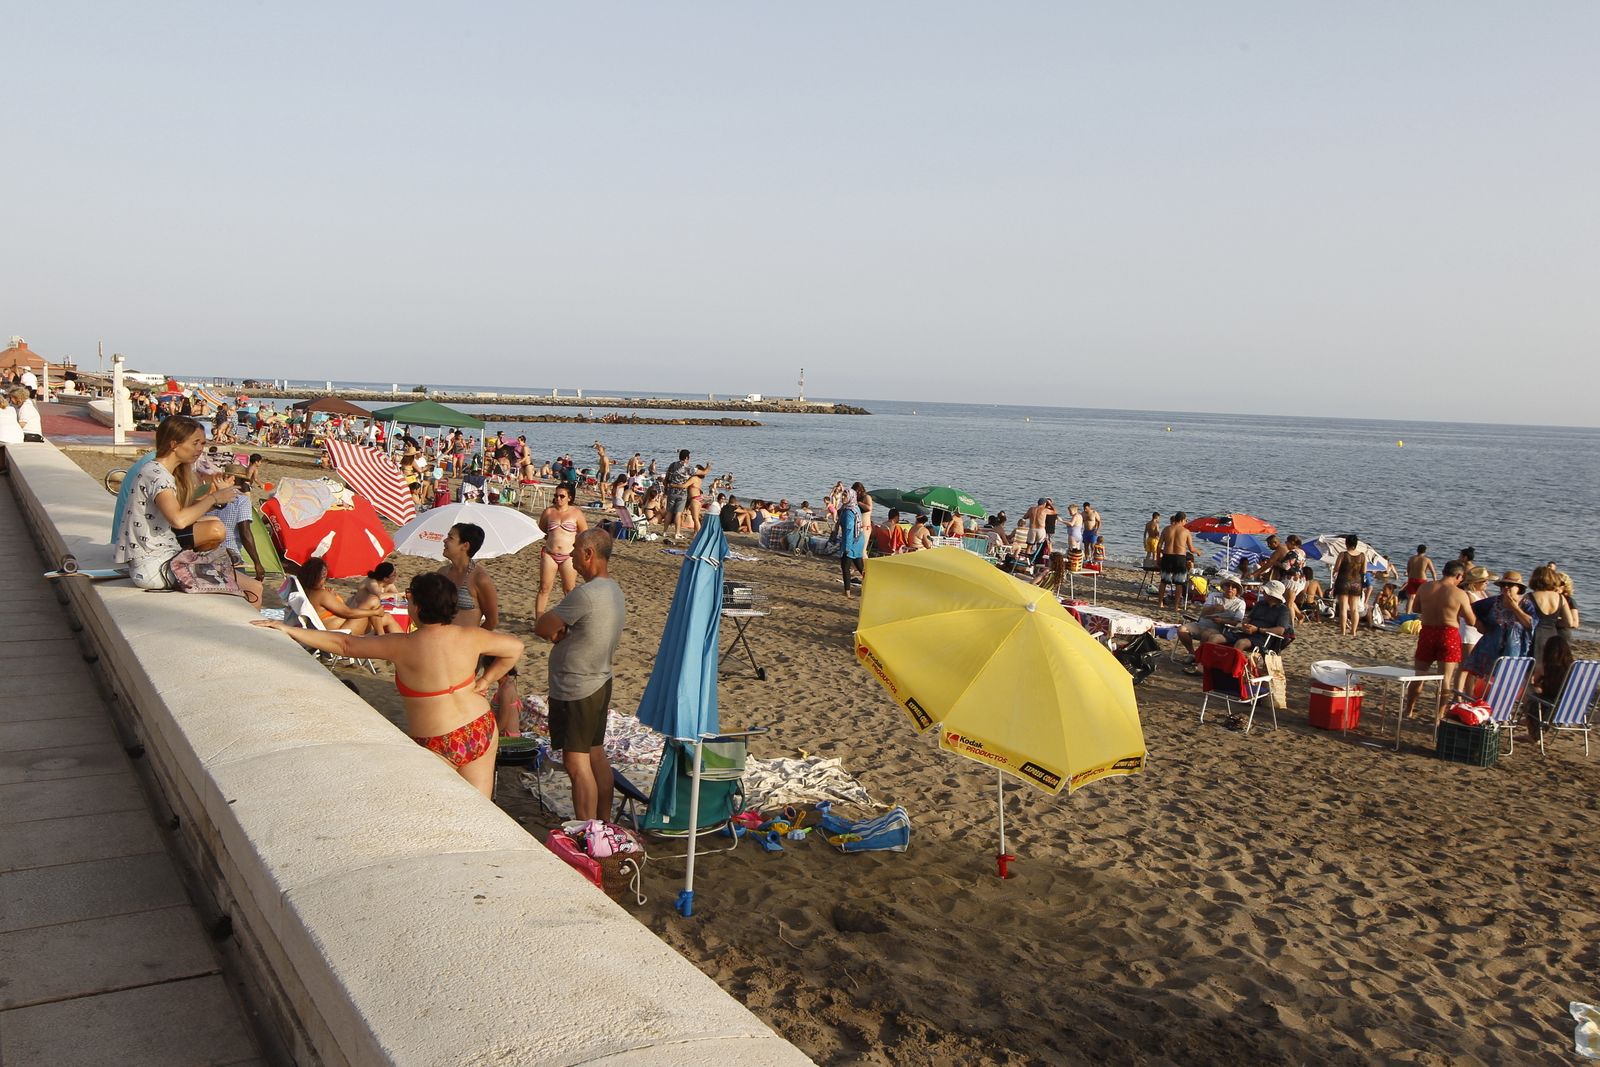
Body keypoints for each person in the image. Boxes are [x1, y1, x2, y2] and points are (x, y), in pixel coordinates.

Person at [255, 573, 522, 796]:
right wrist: (485, 679)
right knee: (479, 810)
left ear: (416, 606)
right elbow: (515, 647)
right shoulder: (471, 636)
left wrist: (289, 628)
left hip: (438, 738)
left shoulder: (402, 645)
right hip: (479, 726)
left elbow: (345, 644)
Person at [534, 530, 625, 823]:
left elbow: (542, 626)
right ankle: (603, 822)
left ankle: (588, 829)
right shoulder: (614, 590)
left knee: (576, 761)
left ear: (588, 554)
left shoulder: (586, 594)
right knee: (595, 754)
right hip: (599, 680)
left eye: (575, 551)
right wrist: (561, 632)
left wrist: (557, 632)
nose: (571, 557)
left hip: (577, 684)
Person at [114, 415, 250, 591]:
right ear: (174, 444)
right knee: (252, 588)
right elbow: (178, 520)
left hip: (156, 561)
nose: (200, 449)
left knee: (215, 528)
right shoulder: (158, 475)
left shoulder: (157, 470)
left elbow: (181, 511)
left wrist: (215, 497)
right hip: (155, 567)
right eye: (195, 443)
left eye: (202, 443)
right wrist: (214, 498)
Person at [1404, 561, 1478, 719]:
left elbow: (1416, 608)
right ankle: (1438, 715)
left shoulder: (1425, 587)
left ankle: (1408, 710)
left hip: (1427, 631)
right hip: (1448, 633)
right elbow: (1471, 620)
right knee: (1445, 679)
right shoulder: (1459, 593)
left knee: (1420, 675)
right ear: (1458, 576)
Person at [1461, 570, 1534, 684]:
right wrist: (1479, 625)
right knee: (1482, 681)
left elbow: (1530, 624)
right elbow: (1466, 610)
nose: (1506, 587)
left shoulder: (1526, 605)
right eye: (1503, 585)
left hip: (1514, 651)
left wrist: (1514, 607)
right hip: (1490, 649)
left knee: (1507, 682)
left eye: (1510, 585)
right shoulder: (1492, 602)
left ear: (1518, 588)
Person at [299, 557, 398, 635]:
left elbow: (343, 609)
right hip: (340, 632)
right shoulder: (321, 594)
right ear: (319, 577)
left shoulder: (307, 591)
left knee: (383, 612)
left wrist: (334, 597)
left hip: (339, 627)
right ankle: (382, 640)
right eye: (324, 576)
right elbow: (348, 613)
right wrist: (375, 611)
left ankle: (382, 638)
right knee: (375, 602)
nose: (325, 579)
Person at [210, 462, 269, 583]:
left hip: (205, 553)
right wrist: (257, 563)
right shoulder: (241, 500)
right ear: (237, 480)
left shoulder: (209, 497)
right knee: (251, 591)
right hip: (230, 555)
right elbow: (245, 532)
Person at [536, 484, 588, 618]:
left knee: (569, 590)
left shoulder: (576, 513)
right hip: (550, 554)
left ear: (569, 498)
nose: (558, 499)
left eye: (561, 496)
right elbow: (541, 531)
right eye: (556, 496)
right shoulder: (548, 512)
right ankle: (538, 620)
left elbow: (584, 534)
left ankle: (569, 620)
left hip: (569, 556)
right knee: (544, 588)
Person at [439, 523, 498, 630]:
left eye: (450, 538)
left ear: (465, 546)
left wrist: (472, 641)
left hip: (465, 644)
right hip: (440, 641)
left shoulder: (479, 578)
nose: (445, 540)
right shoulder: (442, 573)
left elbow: (492, 621)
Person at [1178, 575, 1247, 662]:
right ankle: (1193, 653)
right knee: (1181, 630)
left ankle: (1201, 658)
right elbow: (1203, 613)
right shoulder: (1214, 595)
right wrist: (1213, 608)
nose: (1230, 588)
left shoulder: (1240, 603)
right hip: (1201, 623)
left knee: (1206, 634)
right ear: (1223, 587)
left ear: (1237, 590)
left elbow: (1237, 622)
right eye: (1227, 585)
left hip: (1219, 628)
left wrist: (1222, 621)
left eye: (1233, 587)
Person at [1527, 634, 1574, 745]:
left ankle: (1533, 735)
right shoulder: (1574, 667)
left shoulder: (1544, 667)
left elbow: (1535, 685)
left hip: (1551, 707)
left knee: (1530, 692)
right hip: (1570, 707)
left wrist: (1533, 684)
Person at [1224, 580, 1294, 653]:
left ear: (1272, 595)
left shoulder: (1283, 610)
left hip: (1262, 638)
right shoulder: (1260, 604)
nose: (1263, 592)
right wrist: (1244, 625)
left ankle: (1233, 664)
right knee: (1216, 637)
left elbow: (1280, 630)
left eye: (1265, 591)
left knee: (1241, 643)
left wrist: (1258, 629)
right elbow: (1248, 618)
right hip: (1247, 633)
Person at [1156, 512, 1195, 607]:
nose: (1186, 522)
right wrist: (1198, 552)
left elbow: (1159, 545)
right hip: (1179, 558)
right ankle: (1176, 606)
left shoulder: (1166, 529)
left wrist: (1158, 558)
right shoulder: (1186, 531)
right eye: (1186, 520)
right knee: (1179, 583)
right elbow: (1191, 549)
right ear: (1182, 520)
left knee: (1164, 581)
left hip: (1167, 556)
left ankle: (1160, 603)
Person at [1331, 534, 1368, 635]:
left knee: (1343, 608)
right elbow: (1364, 571)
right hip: (1356, 583)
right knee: (1354, 609)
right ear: (1356, 544)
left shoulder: (1343, 554)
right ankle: (1353, 631)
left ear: (1346, 543)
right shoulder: (1362, 556)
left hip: (1343, 582)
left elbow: (1336, 569)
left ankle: (1343, 631)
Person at [838, 487, 867, 598]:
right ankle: (871, 583)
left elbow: (849, 529)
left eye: (845, 496)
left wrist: (847, 547)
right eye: (843, 495)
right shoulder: (855, 507)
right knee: (860, 566)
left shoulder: (848, 512)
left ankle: (847, 592)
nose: (843, 497)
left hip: (851, 541)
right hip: (859, 539)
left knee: (845, 567)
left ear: (851, 497)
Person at [664, 449, 693, 540]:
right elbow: (699, 474)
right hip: (682, 493)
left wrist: (666, 489)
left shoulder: (672, 465)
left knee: (669, 512)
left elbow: (666, 478)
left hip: (672, 491)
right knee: (678, 513)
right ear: (686, 458)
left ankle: (665, 531)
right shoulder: (688, 468)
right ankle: (677, 533)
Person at [1403, 545, 1438, 612]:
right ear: (1425, 551)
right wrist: (1435, 581)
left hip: (1411, 579)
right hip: (1421, 580)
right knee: (1423, 597)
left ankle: (1407, 614)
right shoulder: (1427, 560)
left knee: (1411, 598)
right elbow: (1433, 572)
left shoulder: (1411, 558)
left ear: (1417, 550)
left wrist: (1409, 577)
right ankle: (1423, 613)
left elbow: (1408, 570)